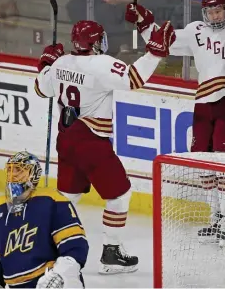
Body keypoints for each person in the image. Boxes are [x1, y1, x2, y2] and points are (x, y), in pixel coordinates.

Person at [34, 19, 175, 272]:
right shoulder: (101, 64)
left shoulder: (61, 62)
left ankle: (44, 246)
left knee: (68, 196)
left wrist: (45, 64)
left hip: (65, 139)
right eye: (99, 39)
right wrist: (154, 53)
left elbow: (41, 89)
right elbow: (133, 79)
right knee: (120, 195)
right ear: (94, 42)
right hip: (91, 141)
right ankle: (111, 254)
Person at [126, 0, 225, 247]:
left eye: (218, 10)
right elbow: (164, 40)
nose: (214, 16)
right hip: (202, 104)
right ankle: (215, 217)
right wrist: (144, 21)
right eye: (210, 11)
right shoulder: (195, 30)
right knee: (202, 163)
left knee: (224, 163)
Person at [0, 151, 88, 288]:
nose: (13, 175)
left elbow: (75, 246)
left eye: (19, 170)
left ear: (33, 175)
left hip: (53, 279)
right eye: (10, 170)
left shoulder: (52, 200)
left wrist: (60, 274)